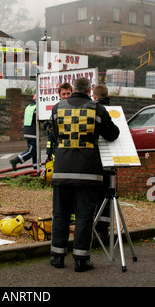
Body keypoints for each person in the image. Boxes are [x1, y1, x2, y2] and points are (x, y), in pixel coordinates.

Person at [50, 77, 120, 272]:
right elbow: (112, 134)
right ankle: (81, 260)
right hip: (88, 172)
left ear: (73, 89)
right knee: (84, 216)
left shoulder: (58, 108)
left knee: (60, 214)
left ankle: (57, 257)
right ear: (90, 90)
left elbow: (55, 135)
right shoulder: (97, 109)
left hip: (62, 168)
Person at [93, 84, 111, 238]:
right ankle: (104, 229)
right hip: (110, 159)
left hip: (96, 159)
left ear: (94, 96)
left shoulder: (95, 110)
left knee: (96, 195)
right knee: (107, 195)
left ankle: (96, 226)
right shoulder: (115, 110)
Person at [10, 94, 38, 171]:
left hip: (28, 131)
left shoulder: (29, 107)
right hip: (33, 132)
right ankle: (16, 160)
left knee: (36, 151)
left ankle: (36, 168)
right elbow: (39, 118)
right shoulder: (37, 108)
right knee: (32, 150)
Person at [46, 83, 73, 161]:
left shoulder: (76, 107)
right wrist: (49, 153)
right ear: (59, 95)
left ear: (72, 93)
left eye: (68, 93)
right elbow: (52, 134)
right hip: (61, 145)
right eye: (63, 94)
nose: (66, 96)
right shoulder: (56, 109)